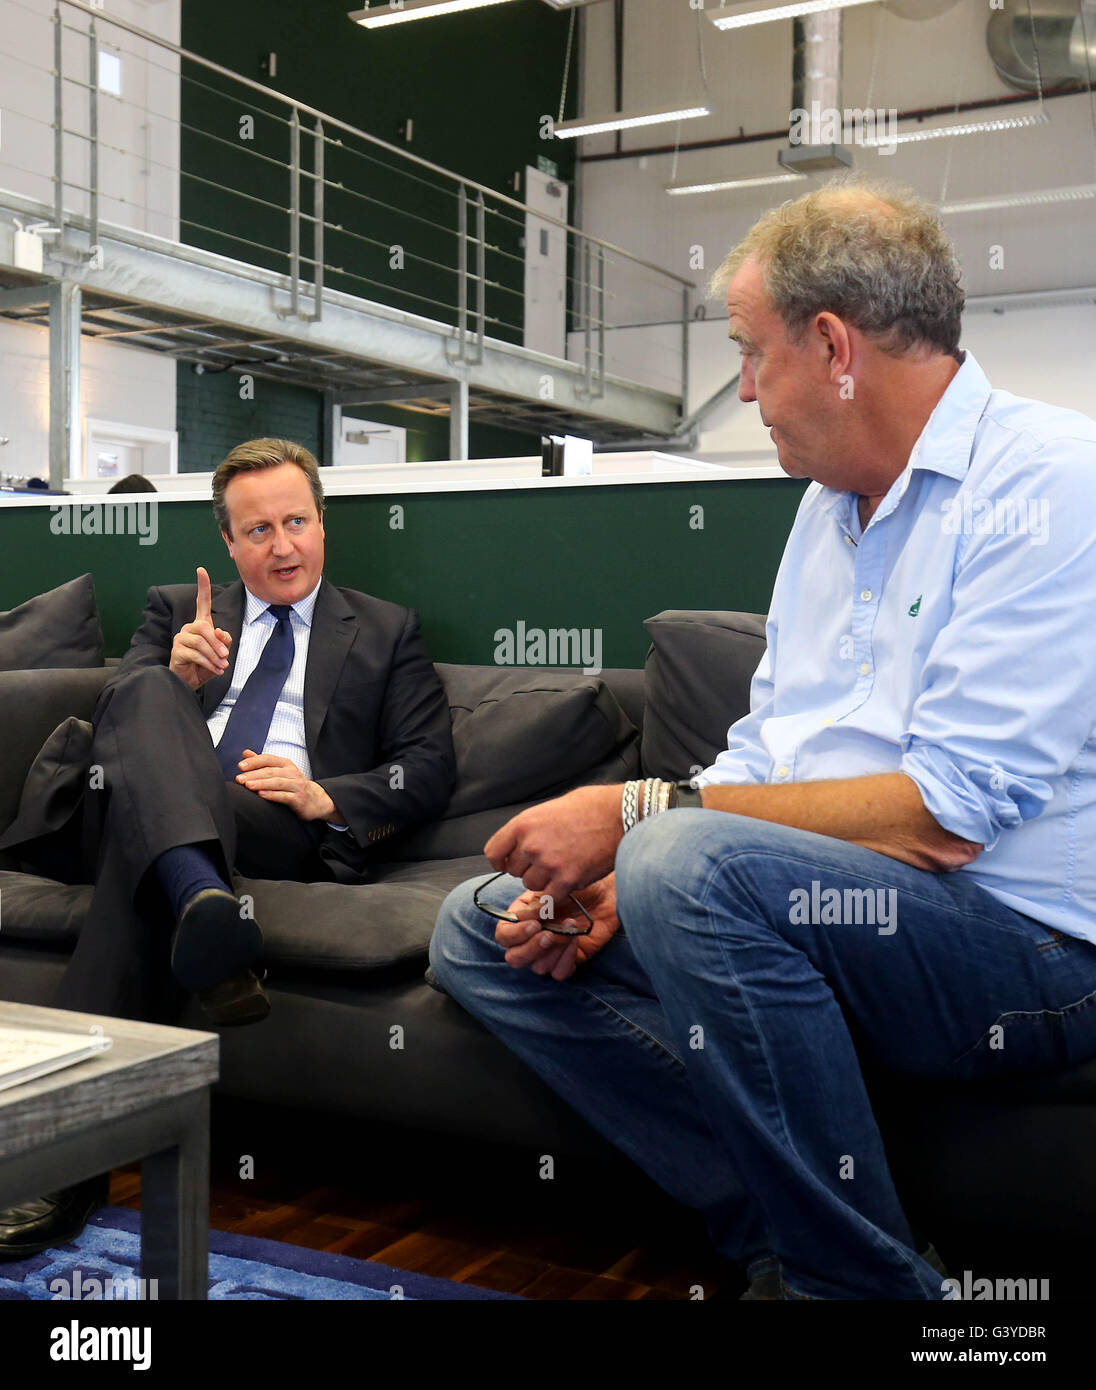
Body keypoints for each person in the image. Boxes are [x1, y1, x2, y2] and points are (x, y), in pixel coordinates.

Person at [428, 176, 1096, 1301]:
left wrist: (644, 822)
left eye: (750, 354)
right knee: (484, 925)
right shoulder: (824, 508)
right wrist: (626, 885)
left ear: (833, 345)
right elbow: (768, 747)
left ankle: (842, 1287)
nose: (744, 390)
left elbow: (945, 817)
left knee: (676, 857)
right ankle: (809, 1251)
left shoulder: (1048, 482)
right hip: (820, 910)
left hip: (1027, 952)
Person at [0, 437, 455, 1260]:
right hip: (141, 799)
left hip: (273, 819)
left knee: (141, 862)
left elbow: (427, 769)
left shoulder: (386, 632)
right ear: (228, 543)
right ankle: (200, 901)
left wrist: (328, 796)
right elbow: (114, 729)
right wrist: (178, 681)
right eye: (257, 531)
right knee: (141, 689)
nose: (281, 546)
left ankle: (49, 1161)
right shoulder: (179, 611)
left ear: (323, 523)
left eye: (296, 522)